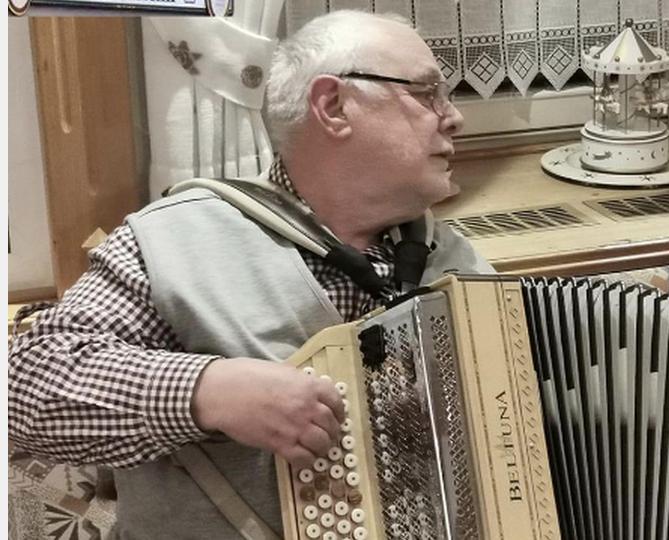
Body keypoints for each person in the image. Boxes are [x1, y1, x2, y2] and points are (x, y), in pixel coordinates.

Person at [8, 10, 492, 538]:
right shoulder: (174, 243)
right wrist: (206, 392)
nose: (453, 117)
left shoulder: (452, 260)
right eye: (426, 94)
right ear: (332, 106)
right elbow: (26, 386)